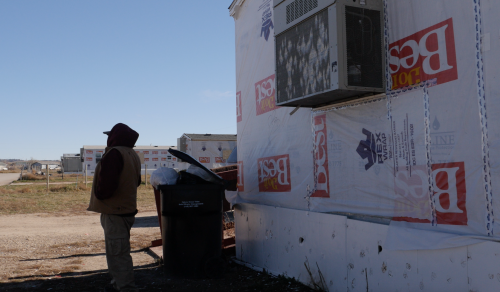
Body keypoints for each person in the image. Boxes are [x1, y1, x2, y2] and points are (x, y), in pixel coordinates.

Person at [88, 123, 141, 292]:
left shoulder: (114, 154)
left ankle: (126, 287)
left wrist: (101, 196)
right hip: (125, 209)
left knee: (118, 254)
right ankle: (119, 283)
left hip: (114, 211)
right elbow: (137, 181)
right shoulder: (132, 154)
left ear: (114, 137)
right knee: (118, 251)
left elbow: (106, 186)